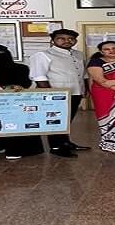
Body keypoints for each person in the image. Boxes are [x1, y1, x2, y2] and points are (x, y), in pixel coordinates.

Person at [28, 28, 90, 158]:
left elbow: (83, 74)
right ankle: (56, 147)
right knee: (55, 120)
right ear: (53, 40)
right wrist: (50, 95)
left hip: (75, 92)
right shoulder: (43, 55)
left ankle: (66, 142)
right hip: (56, 95)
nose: (67, 41)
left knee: (67, 121)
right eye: (61, 38)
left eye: (71, 39)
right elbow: (39, 76)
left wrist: (85, 89)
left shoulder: (78, 54)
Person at [0, 45, 45, 159]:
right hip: (17, 102)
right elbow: (26, 84)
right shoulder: (21, 68)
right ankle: (17, 150)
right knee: (18, 125)